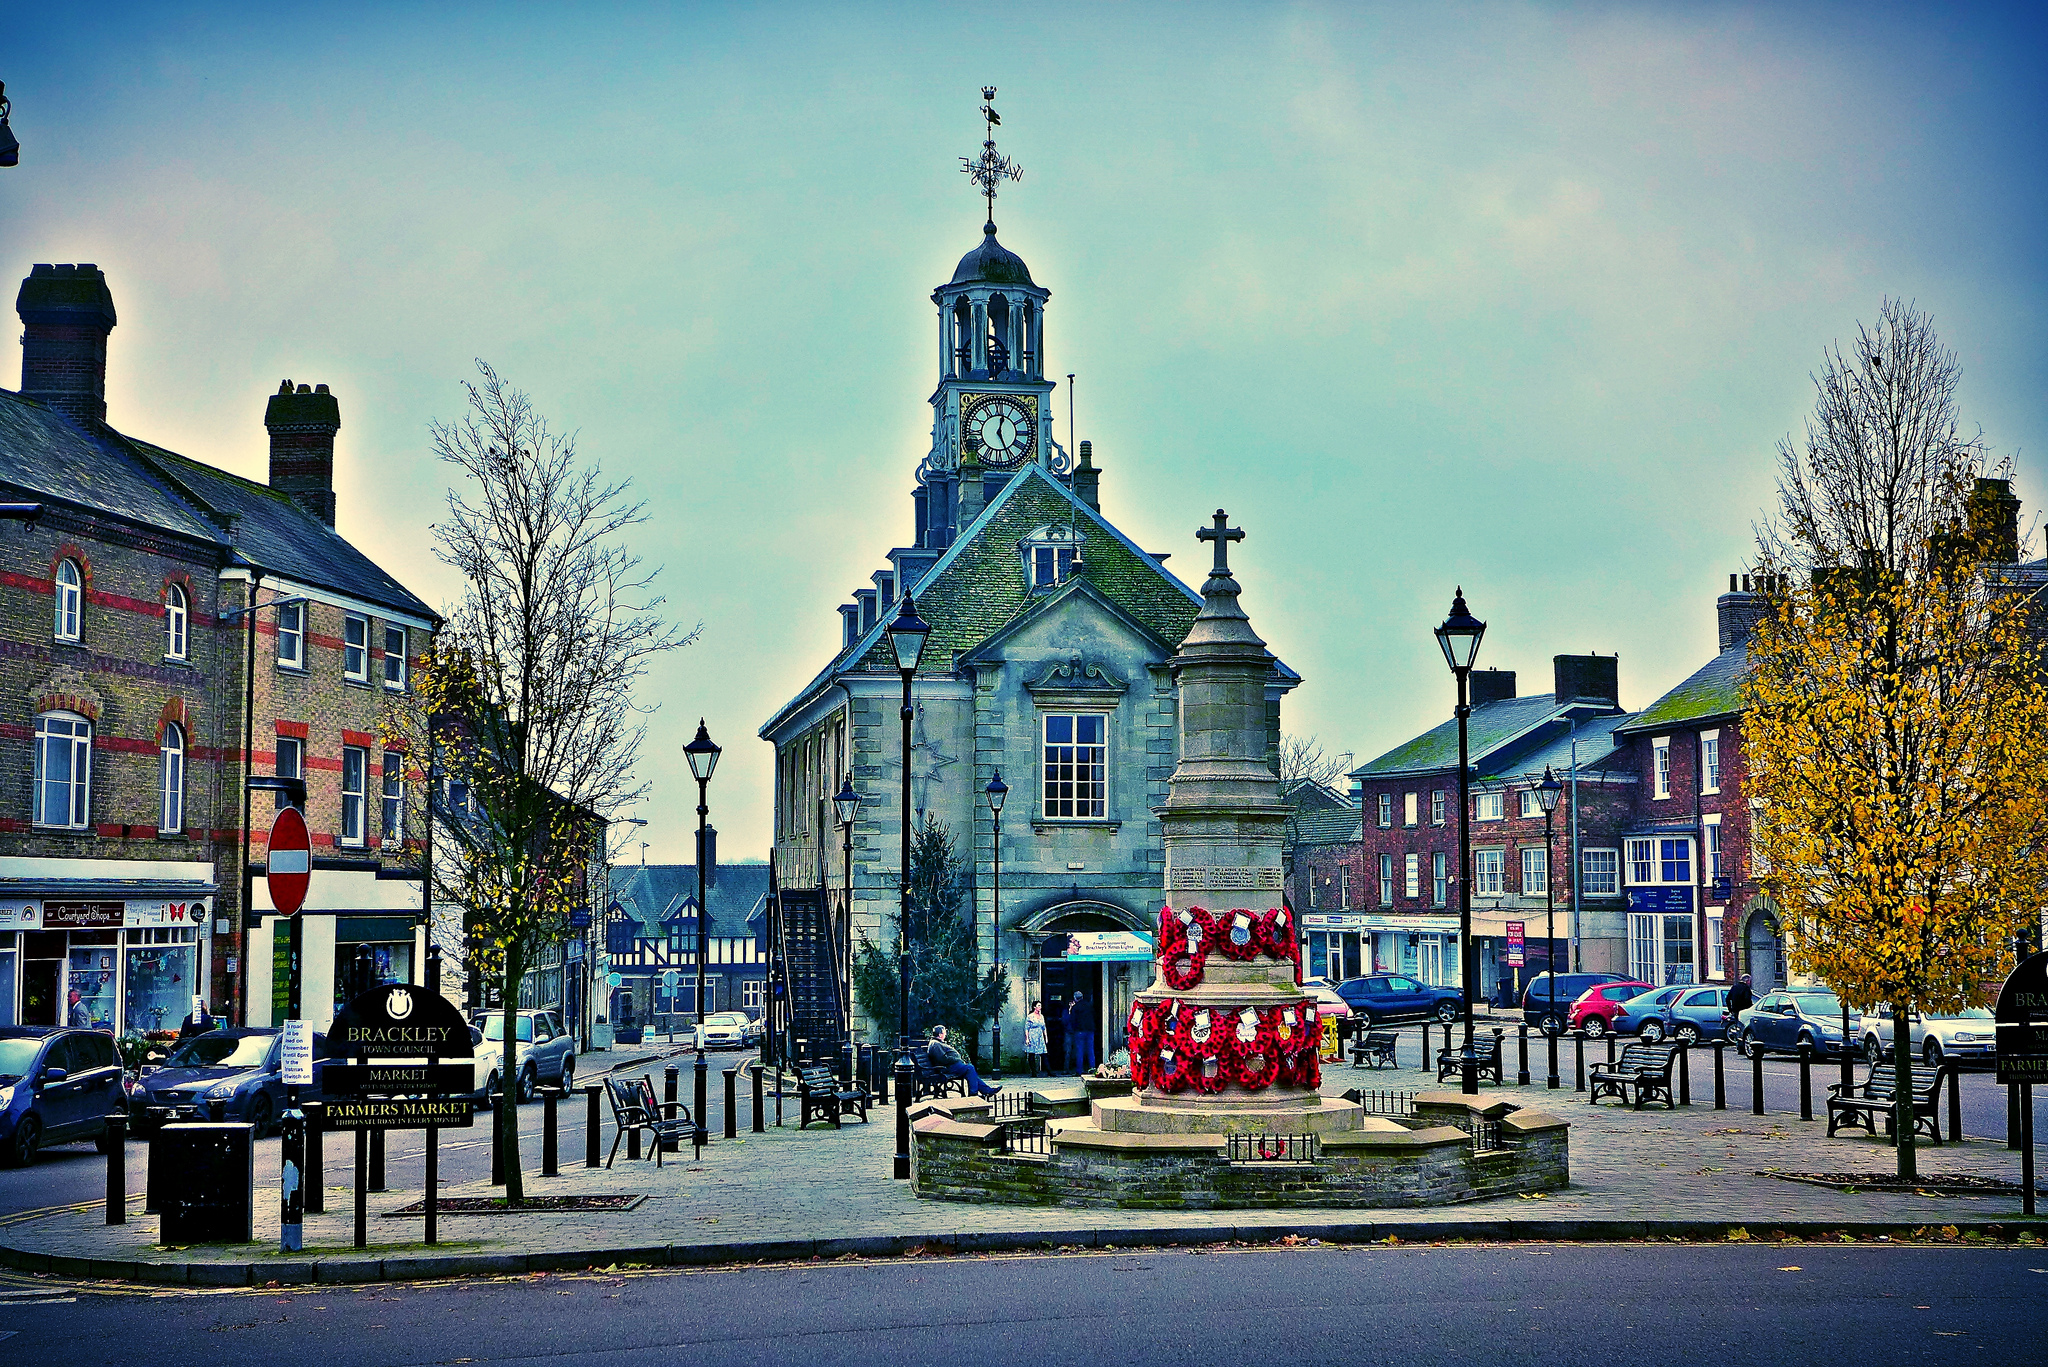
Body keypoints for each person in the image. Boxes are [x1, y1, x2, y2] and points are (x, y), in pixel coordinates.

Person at [926, 1025, 999, 1100]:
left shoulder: (937, 1043)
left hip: (950, 1066)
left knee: (970, 1072)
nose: (945, 1034)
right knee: (970, 1068)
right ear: (940, 1034)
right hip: (946, 1069)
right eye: (944, 1032)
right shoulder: (935, 1044)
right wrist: (955, 1058)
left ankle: (987, 1091)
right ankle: (974, 1094)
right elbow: (942, 1059)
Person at [1063, 991, 1097, 1075]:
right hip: (1090, 1030)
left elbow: (1073, 1020)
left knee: (1079, 1051)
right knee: (1090, 1050)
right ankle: (1092, 1068)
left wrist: (1075, 1029)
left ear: (1075, 998)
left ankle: (1079, 1071)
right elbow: (1094, 1016)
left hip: (1079, 1031)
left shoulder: (1075, 1007)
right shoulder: (1089, 1005)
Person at [1023, 1002, 1048, 1077]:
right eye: (1038, 1005)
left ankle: (1049, 1071)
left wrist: (1046, 1037)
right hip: (1032, 1036)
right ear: (1034, 1007)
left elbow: (1044, 1027)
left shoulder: (1041, 1016)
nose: (1040, 1007)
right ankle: (1033, 1072)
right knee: (1031, 1054)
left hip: (1040, 1036)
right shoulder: (1030, 1017)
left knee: (1043, 1054)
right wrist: (1027, 1038)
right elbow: (1026, 1028)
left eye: (1040, 1005)